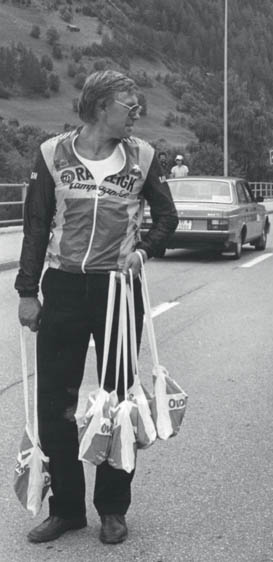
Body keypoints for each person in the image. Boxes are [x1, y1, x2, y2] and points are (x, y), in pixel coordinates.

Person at [15, 70, 178, 545]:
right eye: (130, 106)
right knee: (55, 405)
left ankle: (112, 509)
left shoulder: (142, 157)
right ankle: (66, 509)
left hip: (117, 291)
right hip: (63, 288)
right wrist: (28, 291)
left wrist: (144, 249)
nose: (137, 114)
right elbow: (37, 224)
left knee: (118, 401)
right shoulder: (52, 153)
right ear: (101, 105)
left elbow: (166, 216)